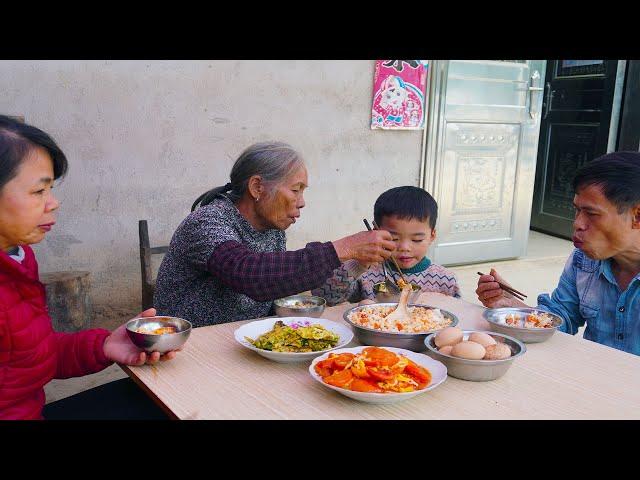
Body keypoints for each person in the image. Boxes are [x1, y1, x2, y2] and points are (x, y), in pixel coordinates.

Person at [0, 115, 179, 420]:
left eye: (51, 190)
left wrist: (106, 344)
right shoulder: (212, 221)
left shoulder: (17, 256)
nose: (53, 202)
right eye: (38, 191)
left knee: (155, 399)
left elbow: (25, 357)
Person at [154, 141, 396, 326]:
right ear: (257, 187)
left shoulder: (273, 231)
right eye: (295, 190)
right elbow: (247, 274)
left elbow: (276, 282)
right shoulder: (208, 221)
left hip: (241, 340)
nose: (302, 203)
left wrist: (355, 263)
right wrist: (341, 248)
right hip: (190, 348)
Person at [476, 152, 640, 356]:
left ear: (637, 216)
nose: (578, 224)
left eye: (592, 214)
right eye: (577, 211)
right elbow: (562, 319)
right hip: (594, 376)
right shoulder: (584, 260)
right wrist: (509, 305)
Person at [313, 186, 460, 305]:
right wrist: (359, 265)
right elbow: (328, 297)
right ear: (376, 234)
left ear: (432, 236)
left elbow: (457, 319)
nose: (404, 247)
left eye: (416, 240)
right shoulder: (367, 274)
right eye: (393, 239)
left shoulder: (445, 280)